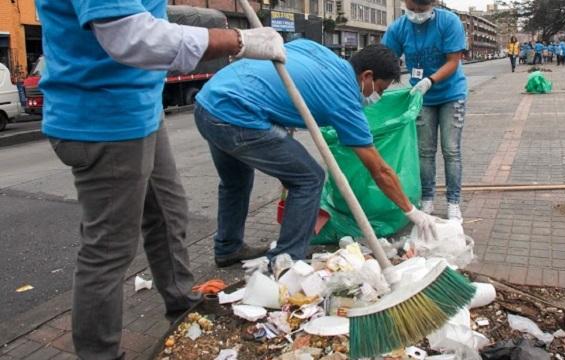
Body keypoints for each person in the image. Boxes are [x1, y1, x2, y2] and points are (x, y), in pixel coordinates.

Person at [36, 1, 286, 359]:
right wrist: (237, 40)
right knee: (108, 249)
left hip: (139, 110)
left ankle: (182, 303)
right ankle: (98, 354)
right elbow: (131, 37)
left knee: (168, 215)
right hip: (105, 122)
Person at [193, 40, 434, 264]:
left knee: (235, 182)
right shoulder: (345, 97)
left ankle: (228, 247)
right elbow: (379, 170)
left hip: (209, 100)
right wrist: (412, 211)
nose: (377, 97)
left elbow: (286, 59)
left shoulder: (321, 53)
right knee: (309, 178)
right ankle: (285, 261)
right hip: (236, 115)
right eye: (379, 90)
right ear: (367, 76)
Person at [382, 0, 467, 221]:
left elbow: (453, 61)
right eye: (413, 9)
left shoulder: (449, 22)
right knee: (425, 151)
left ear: (433, 4)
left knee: (451, 150)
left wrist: (431, 80)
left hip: (451, 94)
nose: (417, 14)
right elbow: (385, 57)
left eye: (423, 9)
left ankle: (453, 202)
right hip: (421, 98)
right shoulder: (399, 28)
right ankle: (427, 199)